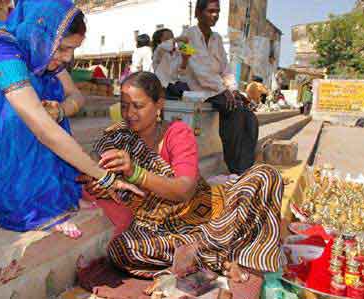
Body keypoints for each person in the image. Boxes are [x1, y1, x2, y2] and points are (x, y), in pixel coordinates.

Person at [0, 0, 143, 236]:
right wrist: (104, 177)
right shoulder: (4, 48)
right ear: (40, 33)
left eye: (72, 50)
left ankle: (55, 192)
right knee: (22, 106)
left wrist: (61, 110)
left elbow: (76, 96)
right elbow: (40, 125)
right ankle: (27, 202)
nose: (67, 58)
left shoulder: (42, 49)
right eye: (64, 49)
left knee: (48, 93)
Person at [82, 72, 284, 284]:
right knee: (121, 250)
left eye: (138, 106)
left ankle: (217, 257)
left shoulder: (177, 132)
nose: (129, 113)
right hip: (162, 230)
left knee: (266, 176)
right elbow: (92, 167)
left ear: (159, 104)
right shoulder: (117, 136)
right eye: (124, 106)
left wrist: (136, 173)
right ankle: (216, 258)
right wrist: (99, 180)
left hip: (209, 217)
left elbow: (185, 189)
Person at [179, 0, 259, 175]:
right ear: (198, 13)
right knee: (234, 109)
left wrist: (233, 89)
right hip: (196, 88)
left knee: (249, 115)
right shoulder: (186, 38)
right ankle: (236, 168)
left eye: (217, 12)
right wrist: (224, 91)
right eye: (210, 11)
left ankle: (246, 166)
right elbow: (198, 69)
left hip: (216, 89)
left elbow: (225, 68)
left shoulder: (217, 39)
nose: (215, 15)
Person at [151, 28, 189, 100]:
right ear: (158, 42)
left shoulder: (178, 52)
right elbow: (164, 46)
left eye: (172, 37)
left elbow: (192, 54)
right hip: (163, 88)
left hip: (176, 87)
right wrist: (178, 39)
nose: (171, 40)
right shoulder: (158, 51)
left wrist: (185, 58)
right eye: (166, 38)